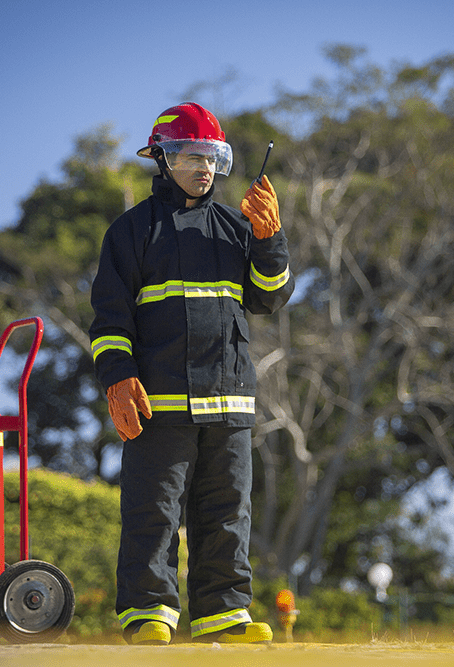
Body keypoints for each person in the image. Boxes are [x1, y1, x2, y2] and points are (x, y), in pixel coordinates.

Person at [88, 102, 293, 645]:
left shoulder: (236, 227)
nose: (205, 168)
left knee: (227, 515)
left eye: (213, 157)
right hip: (160, 406)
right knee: (153, 513)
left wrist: (269, 239)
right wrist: (117, 378)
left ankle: (224, 615)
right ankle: (148, 614)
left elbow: (269, 298)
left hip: (230, 403)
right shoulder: (131, 232)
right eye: (191, 156)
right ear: (162, 158)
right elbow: (109, 319)